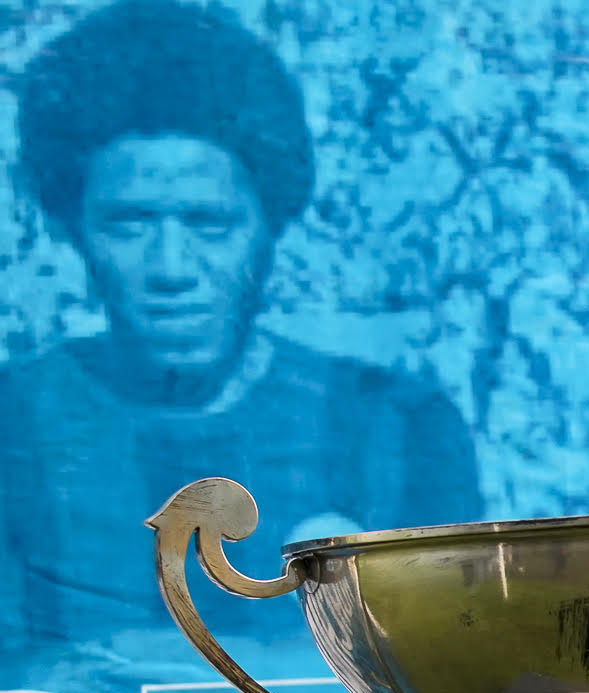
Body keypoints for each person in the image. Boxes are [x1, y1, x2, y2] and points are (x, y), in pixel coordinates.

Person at [0, 0, 480, 649]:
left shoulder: (398, 427)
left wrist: (131, 665)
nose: (170, 267)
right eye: (129, 224)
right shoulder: (13, 427)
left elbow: (447, 679)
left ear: (268, 227)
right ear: (73, 229)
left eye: (209, 224)